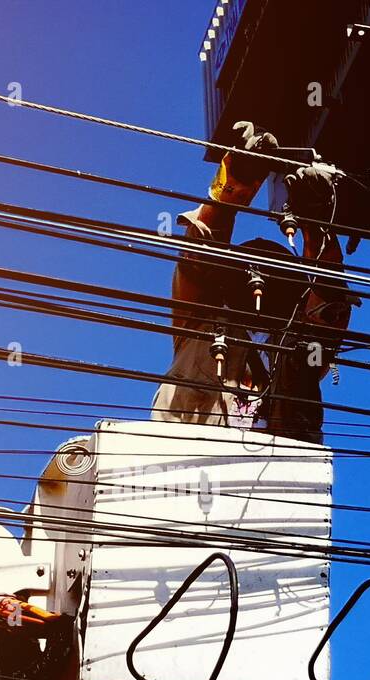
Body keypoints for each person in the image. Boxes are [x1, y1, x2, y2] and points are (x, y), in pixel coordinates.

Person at [151, 122, 357, 445]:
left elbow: (327, 309)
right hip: (180, 481)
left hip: (274, 491)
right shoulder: (200, 324)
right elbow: (200, 253)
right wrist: (236, 181)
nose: (260, 282)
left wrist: (317, 227)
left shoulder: (298, 350)